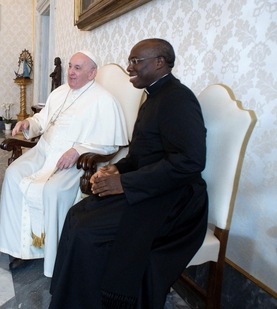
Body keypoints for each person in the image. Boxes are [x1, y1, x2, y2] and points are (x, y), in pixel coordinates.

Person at [49, 39, 208, 309]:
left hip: (177, 201)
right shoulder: (153, 95)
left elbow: (190, 162)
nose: (129, 67)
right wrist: (116, 169)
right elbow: (141, 156)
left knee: (88, 231)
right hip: (150, 186)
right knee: (77, 214)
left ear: (159, 62)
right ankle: (67, 298)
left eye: (136, 61)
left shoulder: (178, 99)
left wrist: (123, 182)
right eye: (130, 60)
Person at [0, 51, 129, 277]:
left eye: (78, 68)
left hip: (74, 162)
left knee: (53, 190)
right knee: (13, 174)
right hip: (44, 152)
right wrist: (28, 123)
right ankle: (19, 248)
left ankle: (54, 257)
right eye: (70, 66)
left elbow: (109, 146)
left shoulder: (104, 100)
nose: (71, 72)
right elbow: (42, 120)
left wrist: (77, 151)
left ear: (92, 73)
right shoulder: (59, 93)